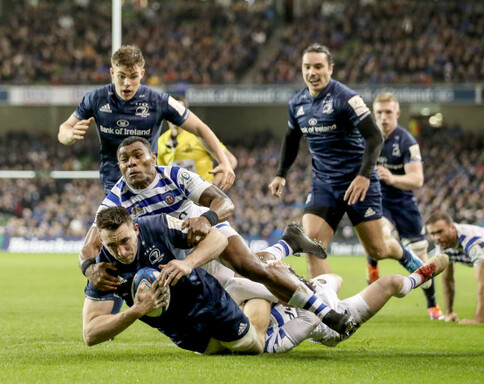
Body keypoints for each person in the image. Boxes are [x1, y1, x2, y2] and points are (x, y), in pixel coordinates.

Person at [81, 136, 357, 337]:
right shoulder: (115, 201)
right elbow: (89, 246)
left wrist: (206, 218)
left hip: (204, 235)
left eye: (138, 155)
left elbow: (224, 203)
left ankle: (325, 313)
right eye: (124, 160)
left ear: (153, 157)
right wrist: (89, 269)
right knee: (238, 286)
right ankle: (286, 246)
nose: (132, 163)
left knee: (248, 267)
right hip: (176, 257)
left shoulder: (175, 176)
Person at [268, 43, 427, 287]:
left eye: (319, 66)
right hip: (324, 183)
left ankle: (404, 255)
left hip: (358, 184)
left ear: (330, 68)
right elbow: (291, 139)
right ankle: (326, 308)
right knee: (311, 244)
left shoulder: (346, 98)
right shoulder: (297, 103)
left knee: (378, 249)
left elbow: (374, 136)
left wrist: (364, 175)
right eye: (307, 67)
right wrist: (281, 174)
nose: (312, 72)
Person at [82, 206, 264, 355]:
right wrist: (136, 311)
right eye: (111, 245)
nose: (121, 252)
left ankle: (260, 297)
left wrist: (188, 263)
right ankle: (239, 297)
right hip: (178, 330)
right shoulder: (103, 270)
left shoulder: (157, 226)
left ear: (135, 229)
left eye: (125, 241)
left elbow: (219, 239)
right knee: (220, 353)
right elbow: (90, 334)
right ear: (101, 240)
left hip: (208, 303)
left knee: (253, 347)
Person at [58, 45, 234, 195]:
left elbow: (200, 128)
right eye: (121, 76)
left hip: (150, 189)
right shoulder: (95, 98)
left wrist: (224, 162)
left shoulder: (158, 100)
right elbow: (64, 129)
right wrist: (70, 135)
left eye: (133, 76)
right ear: (112, 73)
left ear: (142, 74)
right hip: (114, 188)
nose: (127, 83)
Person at [202, 253, 448, 352]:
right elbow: (311, 318)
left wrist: (277, 277)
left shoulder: (240, 310)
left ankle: (294, 247)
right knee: (391, 283)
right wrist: (283, 283)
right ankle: (417, 279)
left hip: (309, 291)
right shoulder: (271, 343)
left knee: (334, 277)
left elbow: (237, 287)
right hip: (331, 321)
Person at [366, 92, 442, 320]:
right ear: (373, 114)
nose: (384, 117)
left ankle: (433, 306)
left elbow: (417, 180)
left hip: (405, 204)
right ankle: (373, 269)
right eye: (379, 113)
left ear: (397, 113)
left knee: (422, 260)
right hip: (380, 202)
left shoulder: (407, 141)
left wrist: (391, 178)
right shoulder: (367, 139)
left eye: (388, 112)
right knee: (379, 233)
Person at [157, 95, 238, 188]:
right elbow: (162, 173)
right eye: (172, 111)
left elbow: (231, 160)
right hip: (180, 198)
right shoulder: (160, 141)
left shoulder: (199, 136)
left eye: (179, 110)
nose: (175, 114)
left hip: (203, 195)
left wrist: (214, 184)